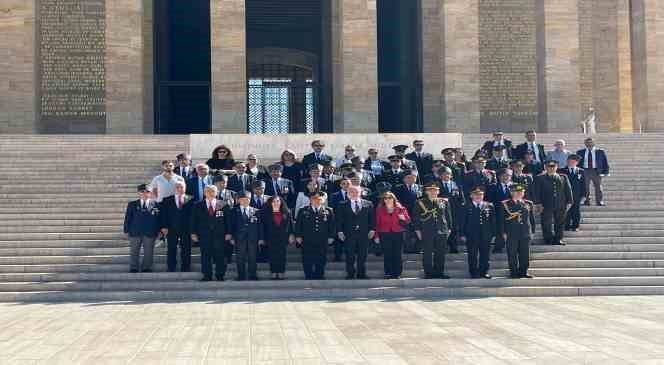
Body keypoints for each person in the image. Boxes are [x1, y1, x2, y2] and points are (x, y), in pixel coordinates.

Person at [190, 185, 232, 281]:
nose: (210, 193)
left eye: (213, 191)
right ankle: (207, 275)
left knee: (220, 255)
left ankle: (220, 275)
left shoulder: (223, 204)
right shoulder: (197, 205)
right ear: (204, 193)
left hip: (220, 235)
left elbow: (228, 220)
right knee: (205, 255)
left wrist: (229, 232)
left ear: (216, 193)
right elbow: (193, 220)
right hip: (204, 235)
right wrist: (193, 233)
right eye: (208, 191)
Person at [412, 183, 453, 279]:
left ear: (438, 191)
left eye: (435, 190)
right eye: (430, 190)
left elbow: (448, 216)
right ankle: (428, 273)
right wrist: (418, 230)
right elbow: (416, 218)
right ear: (426, 192)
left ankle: (439, 272)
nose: (433, 192)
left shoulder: (444, 201)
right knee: (427, 253)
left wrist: (449, 229)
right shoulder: (420, 202)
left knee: (440, 253)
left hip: (441, 230)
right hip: (427, 231)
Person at [336, 185, 376, 279]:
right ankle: (350, 274)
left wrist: (372, 229)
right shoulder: (342, 204)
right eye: (351, 192)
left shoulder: (368, 204)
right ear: (348, 194)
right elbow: (339, 219)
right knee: (349, 255)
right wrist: (340, 232)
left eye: (356, 192)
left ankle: (361, 273)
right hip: (349, 234)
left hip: (364, 234)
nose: (354, 194)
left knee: (363, 255)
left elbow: (372, 219)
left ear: (360, 193)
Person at [295, 191, 336, 280]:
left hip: (322, 239)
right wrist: (298, 235)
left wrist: (331, 236)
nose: (316, 201)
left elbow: (332, 225)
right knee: (307, 258)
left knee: (321, 258)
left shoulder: (328, 211)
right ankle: (308, 275)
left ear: (322, 200)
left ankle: (319, 275)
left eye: (319, 199)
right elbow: (298, 224)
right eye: (314, 199)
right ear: (310, 199)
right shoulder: (303, 210)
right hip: (307, 239)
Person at [498, 184, 536, 278]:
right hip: (511, 233)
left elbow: (531, 219)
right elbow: (501, 220)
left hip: (525, 232)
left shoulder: (528, 203)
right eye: (517, 192)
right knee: (512, 253)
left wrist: (532, 231)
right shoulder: (505, 204)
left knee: (525, 253)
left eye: (521, 192)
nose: (519, 194)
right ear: (511, 192)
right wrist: (503, 232)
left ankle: (524, 272)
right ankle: (514, 272)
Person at [532, 160, 574, 245]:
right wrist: (538, 203)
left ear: (556, 167)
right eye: (549, 167)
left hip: (560, 204)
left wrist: (570, 201)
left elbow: (568, 190)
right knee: (546, 222)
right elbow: (536, 191)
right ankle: (548, 239)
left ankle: (558, 239)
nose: (551, 168)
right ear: (545, 167)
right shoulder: (540, 178)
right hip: (546, 204)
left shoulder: (563, 177)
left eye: (553, 166)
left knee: (560, 222)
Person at [458, 187, 496, 279]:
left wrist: (494, 234)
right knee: (472, 255)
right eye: (476, 194)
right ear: (471, 196)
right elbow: (462, 221)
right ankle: (474, 272)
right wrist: (462, 234)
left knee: (485, 255)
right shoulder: (466, 206)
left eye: (480, 194)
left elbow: (493, 221)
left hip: (486, 235)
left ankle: (484, 272)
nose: (478, 196)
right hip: (471, 235)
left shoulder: (489, 205)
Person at [123, 184, 161, 273]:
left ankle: (146, 267)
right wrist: (126, 230)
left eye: (147, 191)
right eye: (142, 191)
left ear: (150, 193)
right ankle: (134, 267)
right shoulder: (132, 204)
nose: (144, 193)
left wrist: (159, 230)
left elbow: (158, 218)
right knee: (134, 251)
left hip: (150, 232)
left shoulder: (155, 204)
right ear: (138, 193)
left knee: (149, 251)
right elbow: (128, 218)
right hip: (135, 231)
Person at [373, 192, 411, 279]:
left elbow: (408, 221)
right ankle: (388, 273)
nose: (388, 199)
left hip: (398, 233)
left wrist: (403, 218)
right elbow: (377, 223)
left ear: (394, 199)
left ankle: (397, 273)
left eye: (390, 198)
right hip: (384, 233)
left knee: (397, 253)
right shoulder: (379, 209)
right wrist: (376, 235)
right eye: (385, 198)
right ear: (383, 200)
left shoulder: (401, 208)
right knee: (387, 254)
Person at [229, 192, 265, 281]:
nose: (245, 201)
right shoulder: (233, 211)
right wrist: (232, 237)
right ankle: (241, 276)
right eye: (243, 199)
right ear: (239, 200)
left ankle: (252, 275)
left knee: (253, 257)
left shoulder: (256, 211)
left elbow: (260, 226)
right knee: (240, 258)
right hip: (239, 238)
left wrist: (261, 238)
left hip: (253, 238)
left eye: (248, 199)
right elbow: (231, 225)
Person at [159, 181, 193, 272]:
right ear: (174, 189)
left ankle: (186, 267)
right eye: (177, 187)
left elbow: (193, 216)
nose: (179, 189)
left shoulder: (191, 199)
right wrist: (163, 226)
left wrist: (193, 229)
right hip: (171, 228)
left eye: (181, 187)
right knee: (171, 248)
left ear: (185, 188)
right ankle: (171, 267)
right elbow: (163, 215)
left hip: (186, 229)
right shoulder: (167, 200)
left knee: (186, 249)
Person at [262, 196, 295, 280]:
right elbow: (263, 227)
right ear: (270, 203)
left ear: (281, 202)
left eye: (278, 201)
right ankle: (273, 272)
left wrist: (291, 235)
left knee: (282, 255)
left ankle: (281, 272)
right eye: (274, 201)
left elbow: (291, 225)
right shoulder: (266, 213)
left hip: (283, 237)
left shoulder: (287, 212)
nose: (276, 203)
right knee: (272, 255)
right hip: (270, 237)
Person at [437, 167, 464, 254]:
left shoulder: (456, 185)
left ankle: (453, 247)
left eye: (448, 174)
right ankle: (442, 246)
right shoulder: (436, 185)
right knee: (443, 228)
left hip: (454, 211)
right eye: (444, 174)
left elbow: (462, 199)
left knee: (454, 229)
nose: (446, 176)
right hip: (441, 210)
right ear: (440, 175)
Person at [486, 168, 513, 253]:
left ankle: (512, 248)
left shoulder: (514, 187)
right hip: (497, 213)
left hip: (512, 213)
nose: (506, 177)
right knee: (499, 231)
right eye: (503, 175)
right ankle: (498, 247)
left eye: (508, 175)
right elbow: (489, 200)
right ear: (499, 176)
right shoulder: (492, 187)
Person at [576, 137, 609, 206]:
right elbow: (577, 163)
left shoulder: (600, 151)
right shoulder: (580, 152)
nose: (589, 144)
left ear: (593, 143)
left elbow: (605, 162)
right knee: (585, 187)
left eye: (591, 142)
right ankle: (586, 201)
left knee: (598, 187)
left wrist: (606, 172)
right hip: (584, 170)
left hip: (596, 171)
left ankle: (599, 201)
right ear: (585, 144)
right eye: (587, 142)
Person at [559, 154, 586, 231]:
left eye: (574, 161)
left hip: (577, 195)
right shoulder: (561, 170)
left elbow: (584, 184)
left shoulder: (581, 171)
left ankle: (576, 226)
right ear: (567, 161)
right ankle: (566, 226)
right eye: (570, 161)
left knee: (576, 211)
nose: (571, 163)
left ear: (577, 162)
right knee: (566, 211)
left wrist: (584, 195)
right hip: (565, 195)